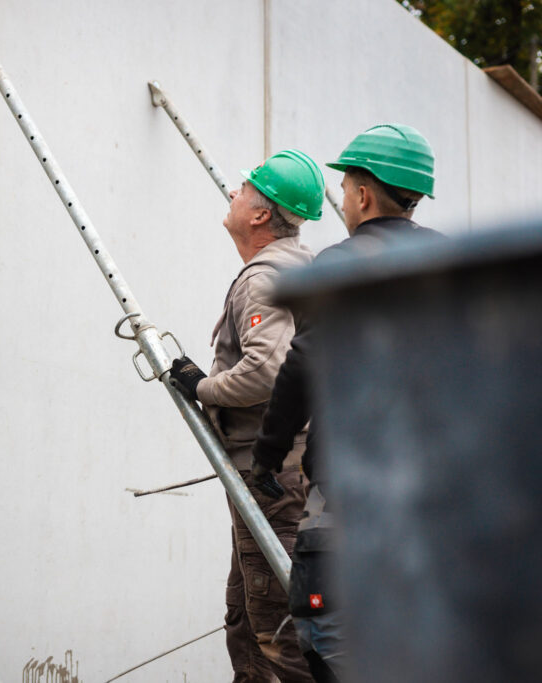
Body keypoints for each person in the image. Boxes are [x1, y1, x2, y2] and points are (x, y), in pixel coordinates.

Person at [250, 124, 443, 683]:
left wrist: (269, 455)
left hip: (350, 498)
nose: (342, 199)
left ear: (361, 195)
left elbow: (301, 366)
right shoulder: (449, 262)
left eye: (346, 188)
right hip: (435, 504)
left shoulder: (339, 264)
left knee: (326, 639)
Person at [169, 150, 324, 682]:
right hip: (286, 470)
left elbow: (267, 371)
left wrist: (201, 386)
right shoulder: (302, 266)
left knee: (276, 626)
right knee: (246, 616)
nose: (232, 193)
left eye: (242, 189)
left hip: (271, 473)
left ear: (260, 215)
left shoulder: (264, 279)